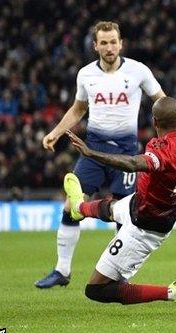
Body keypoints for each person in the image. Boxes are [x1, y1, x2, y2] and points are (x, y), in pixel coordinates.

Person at [59, 44, 176, 314]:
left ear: (154, 120)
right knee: (112, 207)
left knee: (97, 289)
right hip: (147, 206)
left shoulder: (163, 153)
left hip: (145, 226)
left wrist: (91, 153)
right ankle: (80, 208)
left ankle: (173, 292)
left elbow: (131, 162)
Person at [35, 21, 167, 288]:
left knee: (127, 217)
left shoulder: (139, 71)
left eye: (113, 42)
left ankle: (120, 277)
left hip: (127, 155)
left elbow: (163, 103)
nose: (109, 47)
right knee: (71, 206)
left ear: (121, 43)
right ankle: (62, 270)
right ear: (95, 46)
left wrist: (173, 137)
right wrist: (57, 132)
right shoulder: (85, 75)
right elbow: (78, 108)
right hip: (93, 151)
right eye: (103, 43)